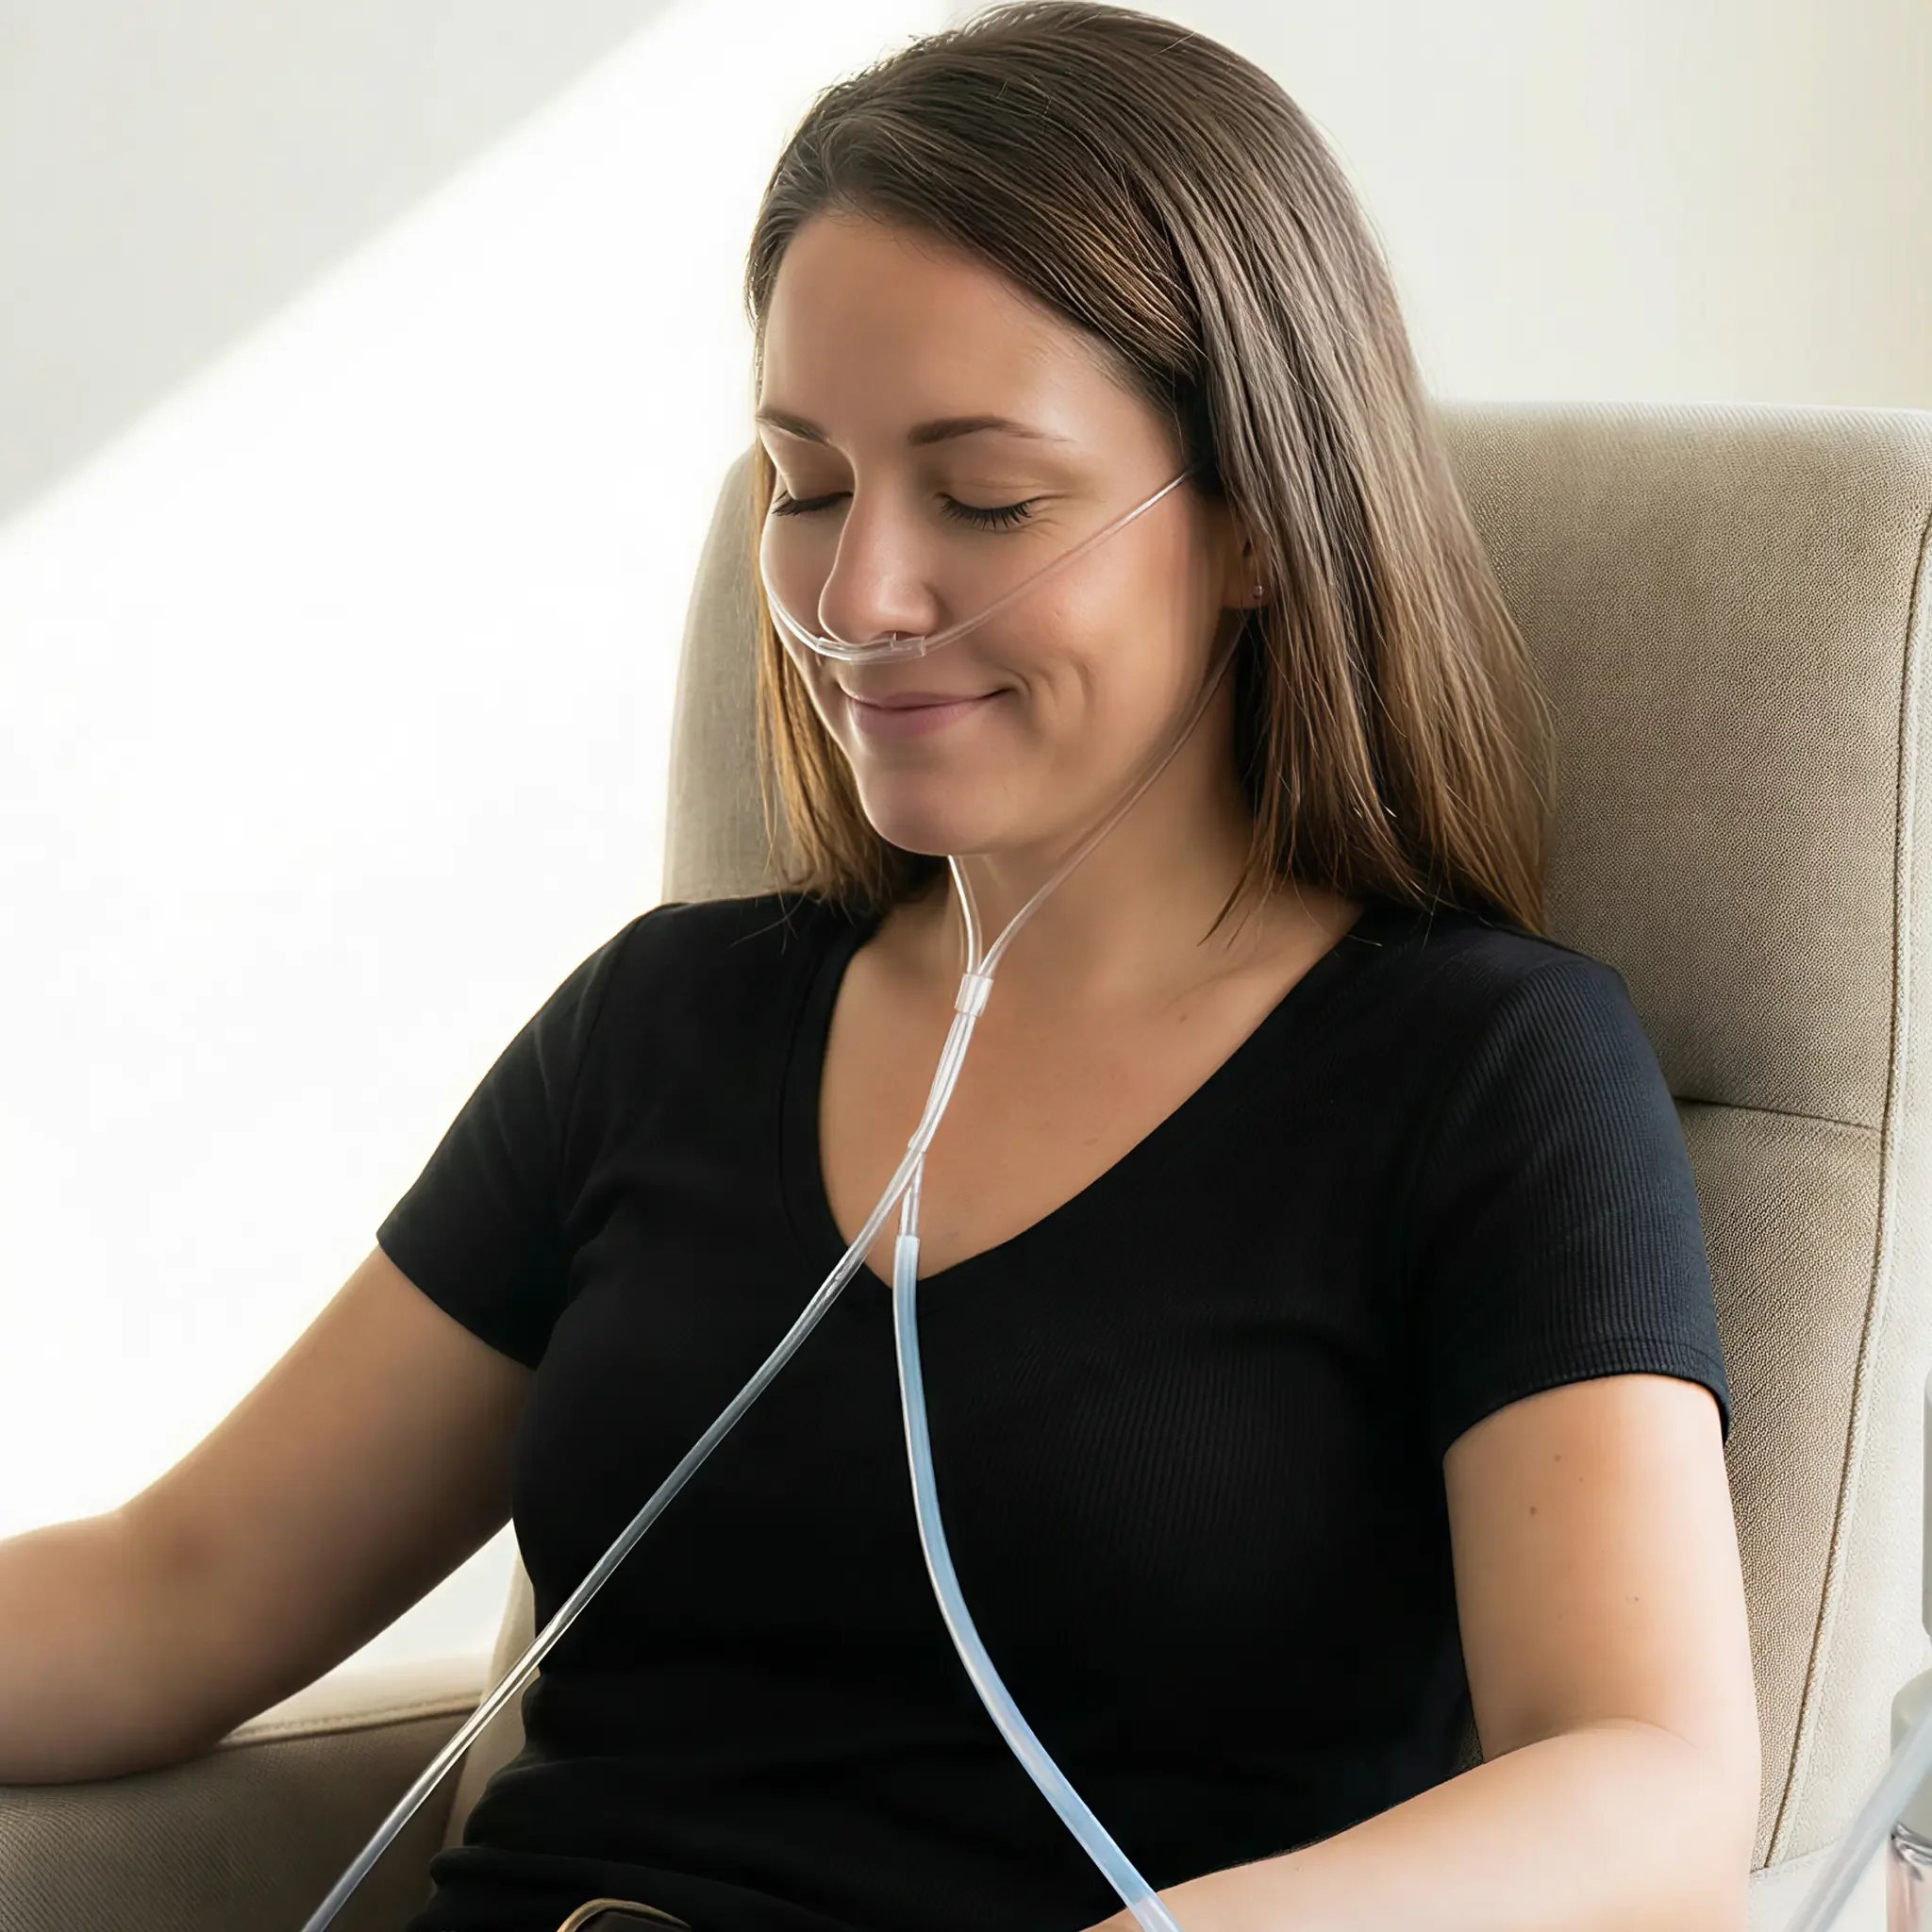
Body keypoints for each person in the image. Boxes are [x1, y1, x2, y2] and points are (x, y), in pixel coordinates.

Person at [0, 4, 1761, 1929]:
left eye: (984, 498)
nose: (855, 600)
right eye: (808, 485)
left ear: (1258, 521)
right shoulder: (662, 1028)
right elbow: (174, 1592)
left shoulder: (1479, 1076)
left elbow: (1649, 1780)